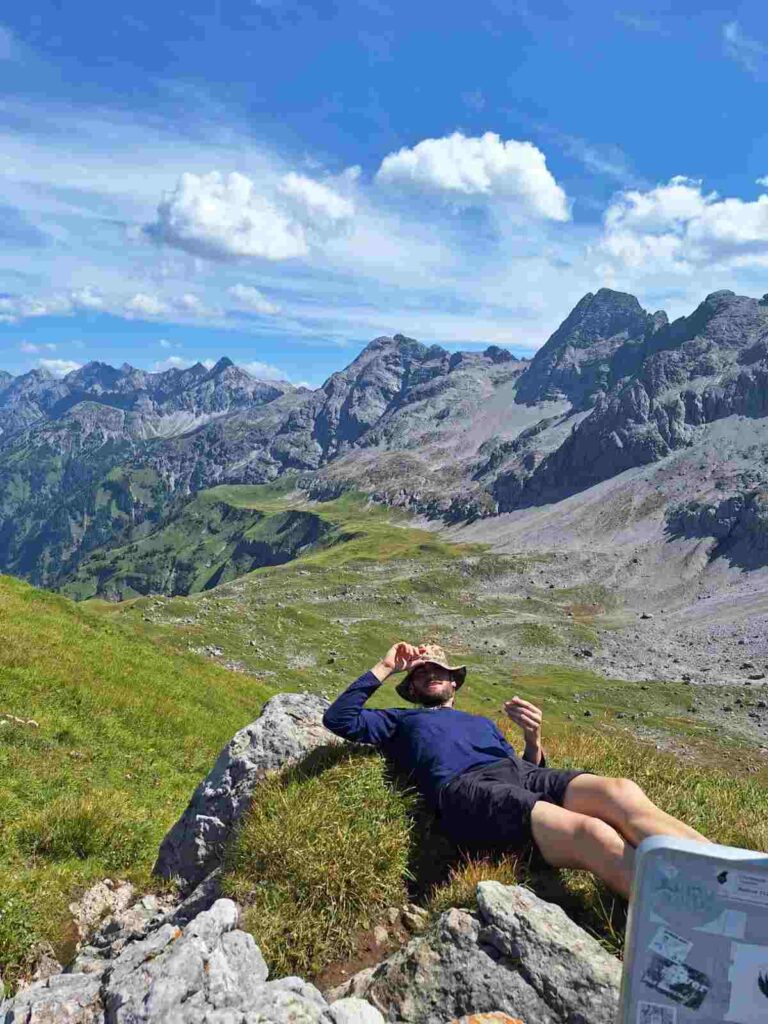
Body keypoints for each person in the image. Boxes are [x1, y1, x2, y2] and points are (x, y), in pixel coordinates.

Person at [322, 641, 709, 899]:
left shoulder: (480, 722)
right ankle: (686, 908)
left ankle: (722, 869)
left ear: (455, 681)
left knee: (619, 791)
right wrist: (387, 665)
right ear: (412, 689)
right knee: (592, 833)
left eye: (439, 669)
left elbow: (527, 771)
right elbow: (339, 718)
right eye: (421, 673)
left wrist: (533, 738)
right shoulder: (398, 720)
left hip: (517, 773)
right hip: (466, 790)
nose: (431, 674)